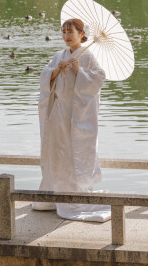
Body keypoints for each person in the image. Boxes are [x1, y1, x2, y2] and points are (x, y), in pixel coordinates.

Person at [33, 18, 110, 221]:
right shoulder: (59, 55)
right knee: (56, 152)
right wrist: (55, 71)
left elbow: (98, 80)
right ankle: (55, 194)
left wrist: (79, 71)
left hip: (76, 115)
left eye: (71, 32)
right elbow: (44, 77)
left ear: (81, 34)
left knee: (72, 152)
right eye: (64, 32)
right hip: (58, 113)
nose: (67, 36)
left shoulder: (88, 57)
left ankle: (73, 194)